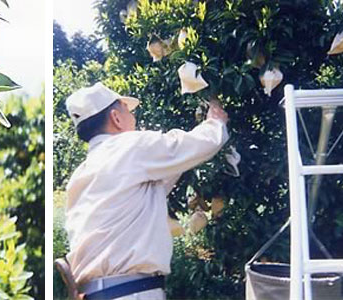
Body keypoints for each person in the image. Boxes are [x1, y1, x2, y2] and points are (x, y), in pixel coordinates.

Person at [64, 82, 229, 300]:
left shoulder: (83, 173)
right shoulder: (129, 147)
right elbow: (199, 145)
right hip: (130, 293)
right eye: (128, 110)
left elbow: (159, 181)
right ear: (116, 117)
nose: (134, 117)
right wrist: (216, 122)